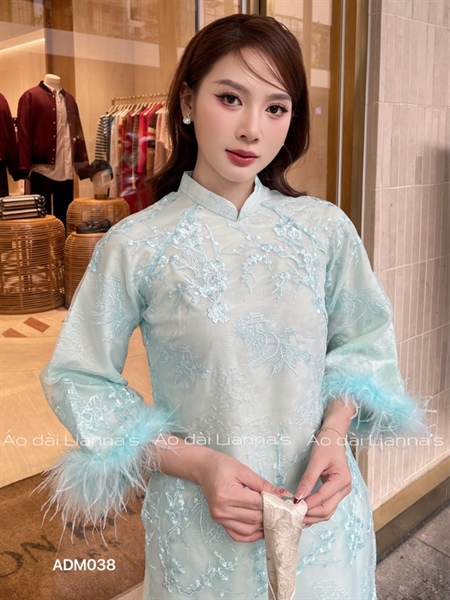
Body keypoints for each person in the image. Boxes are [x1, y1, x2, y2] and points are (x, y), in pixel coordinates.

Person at [40, 14, 425, 599]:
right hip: (200, 532)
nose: (251, 129)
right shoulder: (137, 244)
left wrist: (334, 435)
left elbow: (364, 344)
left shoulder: (325, 230)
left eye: (276, 107)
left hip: (323, 524)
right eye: (230, 98)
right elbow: (78, 377)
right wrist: (196, 464)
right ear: (187, 102)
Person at [16, 73, 89, 227]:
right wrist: (23, 167)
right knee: (42, 222)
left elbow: (77, 133)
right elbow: (24, 134)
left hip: (66, 170)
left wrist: (82, 165)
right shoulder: (30, 97)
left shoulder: (69, 99)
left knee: (64, 221)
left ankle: (63, 243)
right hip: (42, 170)